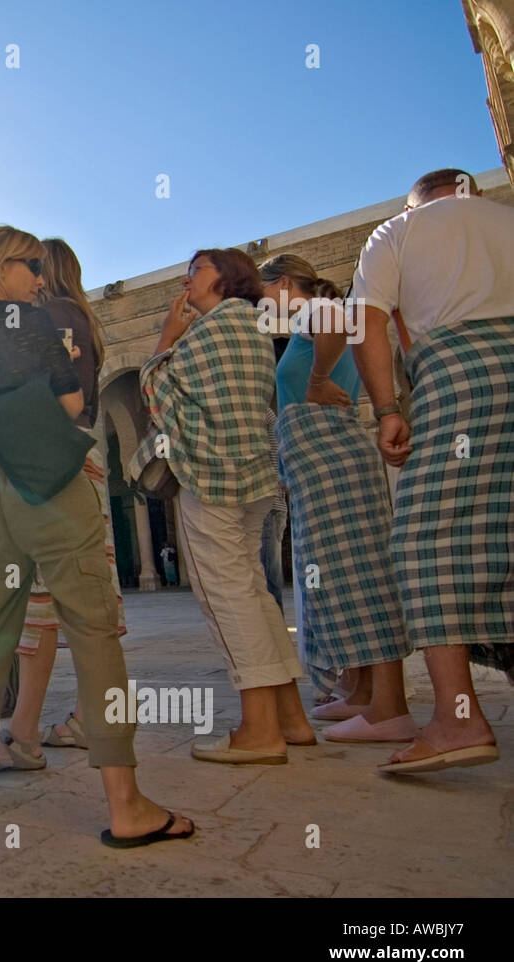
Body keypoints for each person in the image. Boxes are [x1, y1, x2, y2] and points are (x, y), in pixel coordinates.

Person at [0, 224, 193, 848]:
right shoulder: (36, 322)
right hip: (49, 486)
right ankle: (126, 804)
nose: (39, 279)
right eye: (29, 267)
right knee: (93, 629)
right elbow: (74, 404)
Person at [350, 168, 513, 773]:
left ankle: (457, 720)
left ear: (417, 201)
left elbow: (366, 320)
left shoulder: (397, 230)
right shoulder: (506, 217)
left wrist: (388, 409)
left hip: (461, 374)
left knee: (427, 537)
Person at [131, 248, 314, 764]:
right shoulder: (251, 324)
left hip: (214, 480)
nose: (186, 279)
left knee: (229, 599)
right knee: (254, 594)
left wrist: (167, 336)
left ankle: (259, 730)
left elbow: (156, 391)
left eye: (196, 271)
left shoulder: (213, 328)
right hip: (253, 476)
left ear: (226, 278)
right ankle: (291, 718)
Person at [259, 253, 415, 743]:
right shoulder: (310, 317)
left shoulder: (316, 310)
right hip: (326, 462)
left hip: (331, 463)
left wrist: (317, 382)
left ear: (283, 283)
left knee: (361, 575)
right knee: (348, 575)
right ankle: (367, 695)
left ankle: (390, 709)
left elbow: (335, 323)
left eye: (262, 291)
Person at [0, 236, 128, 757]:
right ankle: (53, 724)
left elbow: (61, 400)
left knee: (48, 605)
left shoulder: (54, 314)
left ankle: (36, 730)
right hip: (74, 462)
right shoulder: (74, 315)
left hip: (56, 466)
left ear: (43, 271)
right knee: (62, 604)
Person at [260, 407, 287, 614]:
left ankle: (275, 620)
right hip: (270, 504)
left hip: (268, 505)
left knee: (269, 571)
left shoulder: (261, 412)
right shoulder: (265, 412)